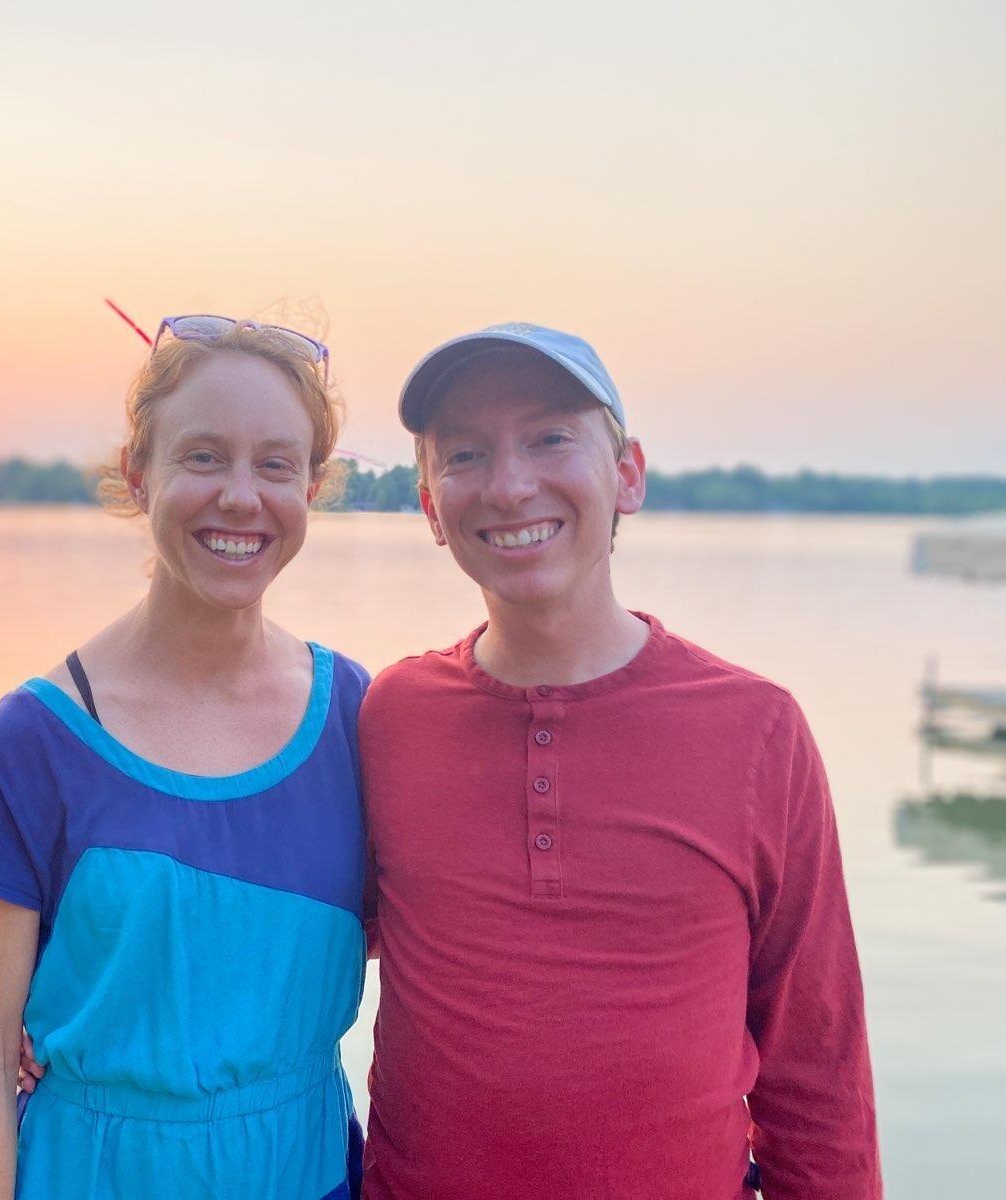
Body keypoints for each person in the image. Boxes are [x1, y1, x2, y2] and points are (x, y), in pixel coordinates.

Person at [360, 323, 881, 1199]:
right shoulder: (390, 714)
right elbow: (294, 933)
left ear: (627, 475)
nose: (510, 483)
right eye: (465, 455)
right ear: (430, 509)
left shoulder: (757, 729)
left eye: (550, 438)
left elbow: (818, 1063)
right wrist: (53, 1008)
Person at [0, 316, 369, 1199]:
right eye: (204, 457)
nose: (242, 498)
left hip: (310, 1174)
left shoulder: (359, 717)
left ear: (312, 487)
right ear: (141, 474)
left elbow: (389, 934)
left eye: (276, 464)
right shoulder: (31, 743)